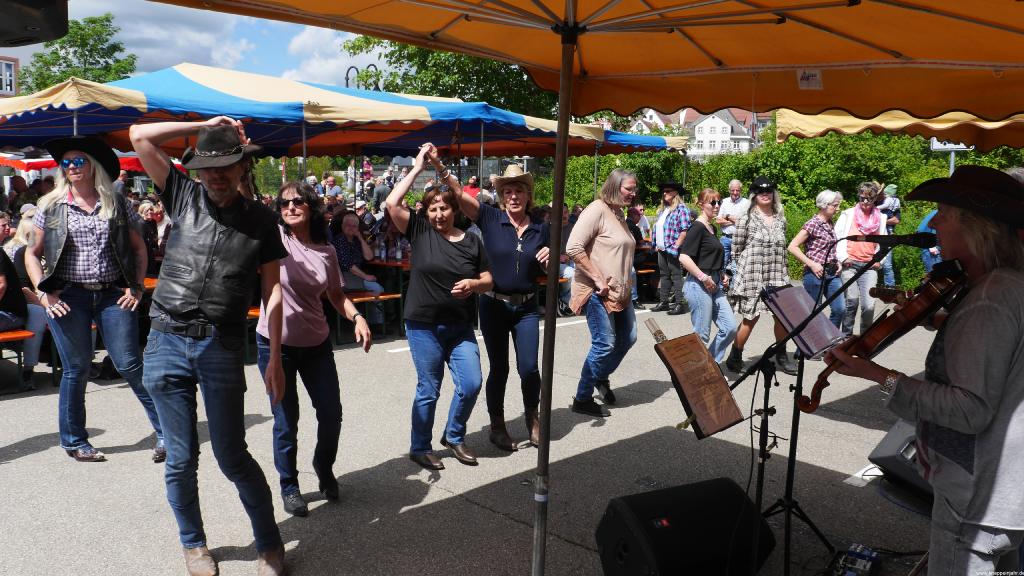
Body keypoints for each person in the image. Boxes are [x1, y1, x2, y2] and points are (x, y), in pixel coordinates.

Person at [828, 165, 1024, 575]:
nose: (933, 221)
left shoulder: (989, 299)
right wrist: (938, 322)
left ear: (975, 228)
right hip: (1003, 489)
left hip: (979, 496)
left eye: (942, 212)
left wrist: (877, 375)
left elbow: (970, 409)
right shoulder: (1006, 286)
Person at [130, 117, 288, 576]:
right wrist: (205, 122)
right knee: (180, 458)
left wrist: (274, 357)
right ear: (197, 170)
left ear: (243, 167)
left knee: (232, 454)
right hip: (164, 339)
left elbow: (273, 292)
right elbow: (141, 136)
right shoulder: (182, 194)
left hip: (220, 344)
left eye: (227, 165)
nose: (217, 174)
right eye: (209, 166)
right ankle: (194, 545)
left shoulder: (262, 220)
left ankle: (269, 544)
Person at [23, 136, 163, 463]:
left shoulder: (115, 201)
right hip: (69, 295)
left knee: (129, 363)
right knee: (76, 368)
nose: (71, 167)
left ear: (92, 166)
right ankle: (74, 440)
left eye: (78, 161)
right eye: (66, 163)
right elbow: (33, 254)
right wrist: (44, 293)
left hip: (114, 293)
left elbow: (139, 249)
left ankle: (166, 431)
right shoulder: (53, 206)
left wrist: (136, 287)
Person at [258, 181, 371, 518]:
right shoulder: (274, 240)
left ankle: (323, 467)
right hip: (275, 345)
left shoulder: (327, 251)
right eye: (284, 204)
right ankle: (289, 485)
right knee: (286, 421)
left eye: (297, 202)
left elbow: (336, 295)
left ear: (310, 207)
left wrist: (357, 316)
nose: (290, 208)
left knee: (331, 413)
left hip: (317, 343)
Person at [385, 143, 493, 471]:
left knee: (472, 383)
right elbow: (392, 203)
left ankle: (454, 436)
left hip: (460, 327)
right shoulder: (420, 231)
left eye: (444, 208)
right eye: (432, 209)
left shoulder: (473, 240)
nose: (438, 215)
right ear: (426, 212)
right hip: (423, 326)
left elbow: (489, 278)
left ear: (453, 210)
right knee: (429, 389)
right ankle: (420, 446)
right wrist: (418, 167)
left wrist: (475, 285)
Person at [445, 160, 549, 451]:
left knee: (529, 368)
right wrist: (442, 168)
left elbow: (553, 265)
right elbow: (459, 196)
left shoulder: (541, 227)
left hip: (527, 307)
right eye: (508, 191)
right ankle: (497, 426)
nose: (514, 196)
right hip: (493, 306)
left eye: (519, 191)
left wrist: (553, 257)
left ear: (528, 195)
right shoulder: (490, 218)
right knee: (499, 368)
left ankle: (533, 418)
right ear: (502, 195)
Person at [566, 168, 639, 418]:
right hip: (596, 289)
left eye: (634, 189)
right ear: (614, 187)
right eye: (629, 188)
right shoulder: (596, 208)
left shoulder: (618, 214)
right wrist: (598, 278)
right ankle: (583, 397)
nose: (633, 193)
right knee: (604, 343)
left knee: (628, 337)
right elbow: (573, 246)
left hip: (620, 290)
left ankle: (600, 376)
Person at [725, 177, 799, 376]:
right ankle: (735, 357)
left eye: (768, 191)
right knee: (751, 318)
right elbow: (737, 248)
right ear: (754, 195)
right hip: (753, 275)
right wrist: (740, 272)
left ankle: (782, 355)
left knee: (783, 318)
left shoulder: (780, 218)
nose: (765, 194)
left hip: (777, 275)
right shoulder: (746, 218)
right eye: (760, 192)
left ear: (774, 194)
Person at [679, 188, 736, 363]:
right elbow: (683, 256)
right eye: (713, 202)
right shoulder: (697, 227)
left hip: (715, 283)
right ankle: (699, 375)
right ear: (702, 204)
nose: (717, 206)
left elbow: (707, 255)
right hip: (698, 284)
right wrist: (704, 277)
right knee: (702, 335)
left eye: (719, 202)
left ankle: (710, 365)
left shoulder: (711, 227)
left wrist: (721, 273)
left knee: (730, 328)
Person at [787, 190, 845, 328]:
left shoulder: (830, 223)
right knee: (812, 313)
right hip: (815, 274)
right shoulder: (812, 224)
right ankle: (805, 348)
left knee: (840, 309)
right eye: (835, 205)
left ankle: (829, 342)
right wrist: (812, 264)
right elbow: (792, 246)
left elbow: (828, 248)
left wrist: (837, 261)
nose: (838, 208)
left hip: (832, 273)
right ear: (825, 205)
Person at [3, 209, 46, 390]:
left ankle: (28, 369)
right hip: (27, 302)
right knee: (38, 311)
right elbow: (22, 286)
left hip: (17, 308)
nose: (7, 229)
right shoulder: (21, 252)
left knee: (37, 312)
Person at [835, 182, 886, 336]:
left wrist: (880, 260)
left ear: (874, 199)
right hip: (850, 263)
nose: (864, 202)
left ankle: (864, 339)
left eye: (868, 199)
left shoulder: (881, 218)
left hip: (869, 265)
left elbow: (885, 243)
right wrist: (843, 258)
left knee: (869, 305)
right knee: (851, 301)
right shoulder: (847, 214)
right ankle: (846, 336)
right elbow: (837, 237)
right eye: (862, 198)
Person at [332, 212, 385, 328]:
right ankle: (376, 323)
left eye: (354, 226)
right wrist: (366, 276)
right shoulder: (339, 240)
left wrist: (360, 238)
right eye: (348, 225)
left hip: (356, 278)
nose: (351, 228)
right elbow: (348, 265)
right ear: (342, 226)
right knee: (377, 289)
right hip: (345, 279)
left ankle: (373, 321)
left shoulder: (356, 240)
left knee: (377, 289)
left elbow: (369, 256)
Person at [650, 182, 690, 315]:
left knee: (676, 276)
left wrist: (676, 246)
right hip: (662, 247)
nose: (664, 193)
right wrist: (656, 244)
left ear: (675, 193)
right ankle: (664, 302)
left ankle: (680, 303)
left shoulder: (681, 209)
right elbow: (658, 228)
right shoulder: (663, 210)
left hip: (672, 248)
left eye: (667, 191)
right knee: (664, 275)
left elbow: (684, 231)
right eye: (664, 191)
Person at [717, 179, 750, 270]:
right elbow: (718, 221)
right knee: (721, 265)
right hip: (725, 238)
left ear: (741, 190)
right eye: (733, 190)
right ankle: (721, 284)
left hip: (740, 239)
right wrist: (735, 220)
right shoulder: (724, 202)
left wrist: (727, 216)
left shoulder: (746, 203)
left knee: (737, 268)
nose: (735, 192)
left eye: (737, 190)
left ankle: (734, 285)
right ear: (729, 190)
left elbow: (745, 222)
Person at [877, 183, 901, 286]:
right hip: (873, 238)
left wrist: (881, 222)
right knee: (869, 263)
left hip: (887, 237)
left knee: (887, 265)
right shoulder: (871, 204)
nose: (882, 194)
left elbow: (896, 220)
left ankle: (890, 288)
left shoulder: (890, 201)